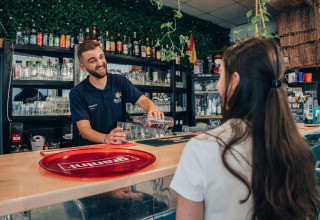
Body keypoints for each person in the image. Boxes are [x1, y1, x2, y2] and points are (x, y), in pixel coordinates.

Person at [170, 37, 319, 220]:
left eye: (220, 75)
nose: (217, 86)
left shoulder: (200, 149)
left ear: (234, 81)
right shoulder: (298, 148)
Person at [70, 40, 163, 146]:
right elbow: (84, 130)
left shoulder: (119, 81)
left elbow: (143, 100)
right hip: (92, 150)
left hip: (119, 146)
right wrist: (106, 138)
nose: (100, 63)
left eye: (101, 57)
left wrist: (152, 109)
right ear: (83, 67)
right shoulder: (77, 92)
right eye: (93, 61)